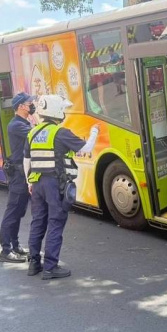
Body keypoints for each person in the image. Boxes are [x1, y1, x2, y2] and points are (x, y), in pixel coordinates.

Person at [24, 95, 99, 280]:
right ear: (56, 110)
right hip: (54, 184)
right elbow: (87, 149)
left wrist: (29, 182)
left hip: (37, 183)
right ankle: (50, 267)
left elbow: (26, 160)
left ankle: (34, 263)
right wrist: (95, 132)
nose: (64, 113)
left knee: (38, 222)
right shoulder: (61, 132)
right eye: (63, 110)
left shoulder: (32, 133)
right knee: (55, 223)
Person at [0, 92, 36, 264]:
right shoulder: (17, 125)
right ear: (21, 106)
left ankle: (15, 245)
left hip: (23, 174)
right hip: (19, 175)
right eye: (30, 103)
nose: (32, 105)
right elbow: (37, 135)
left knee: (19, 212)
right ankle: (6, 250)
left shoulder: (23, 122)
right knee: (13, 212)